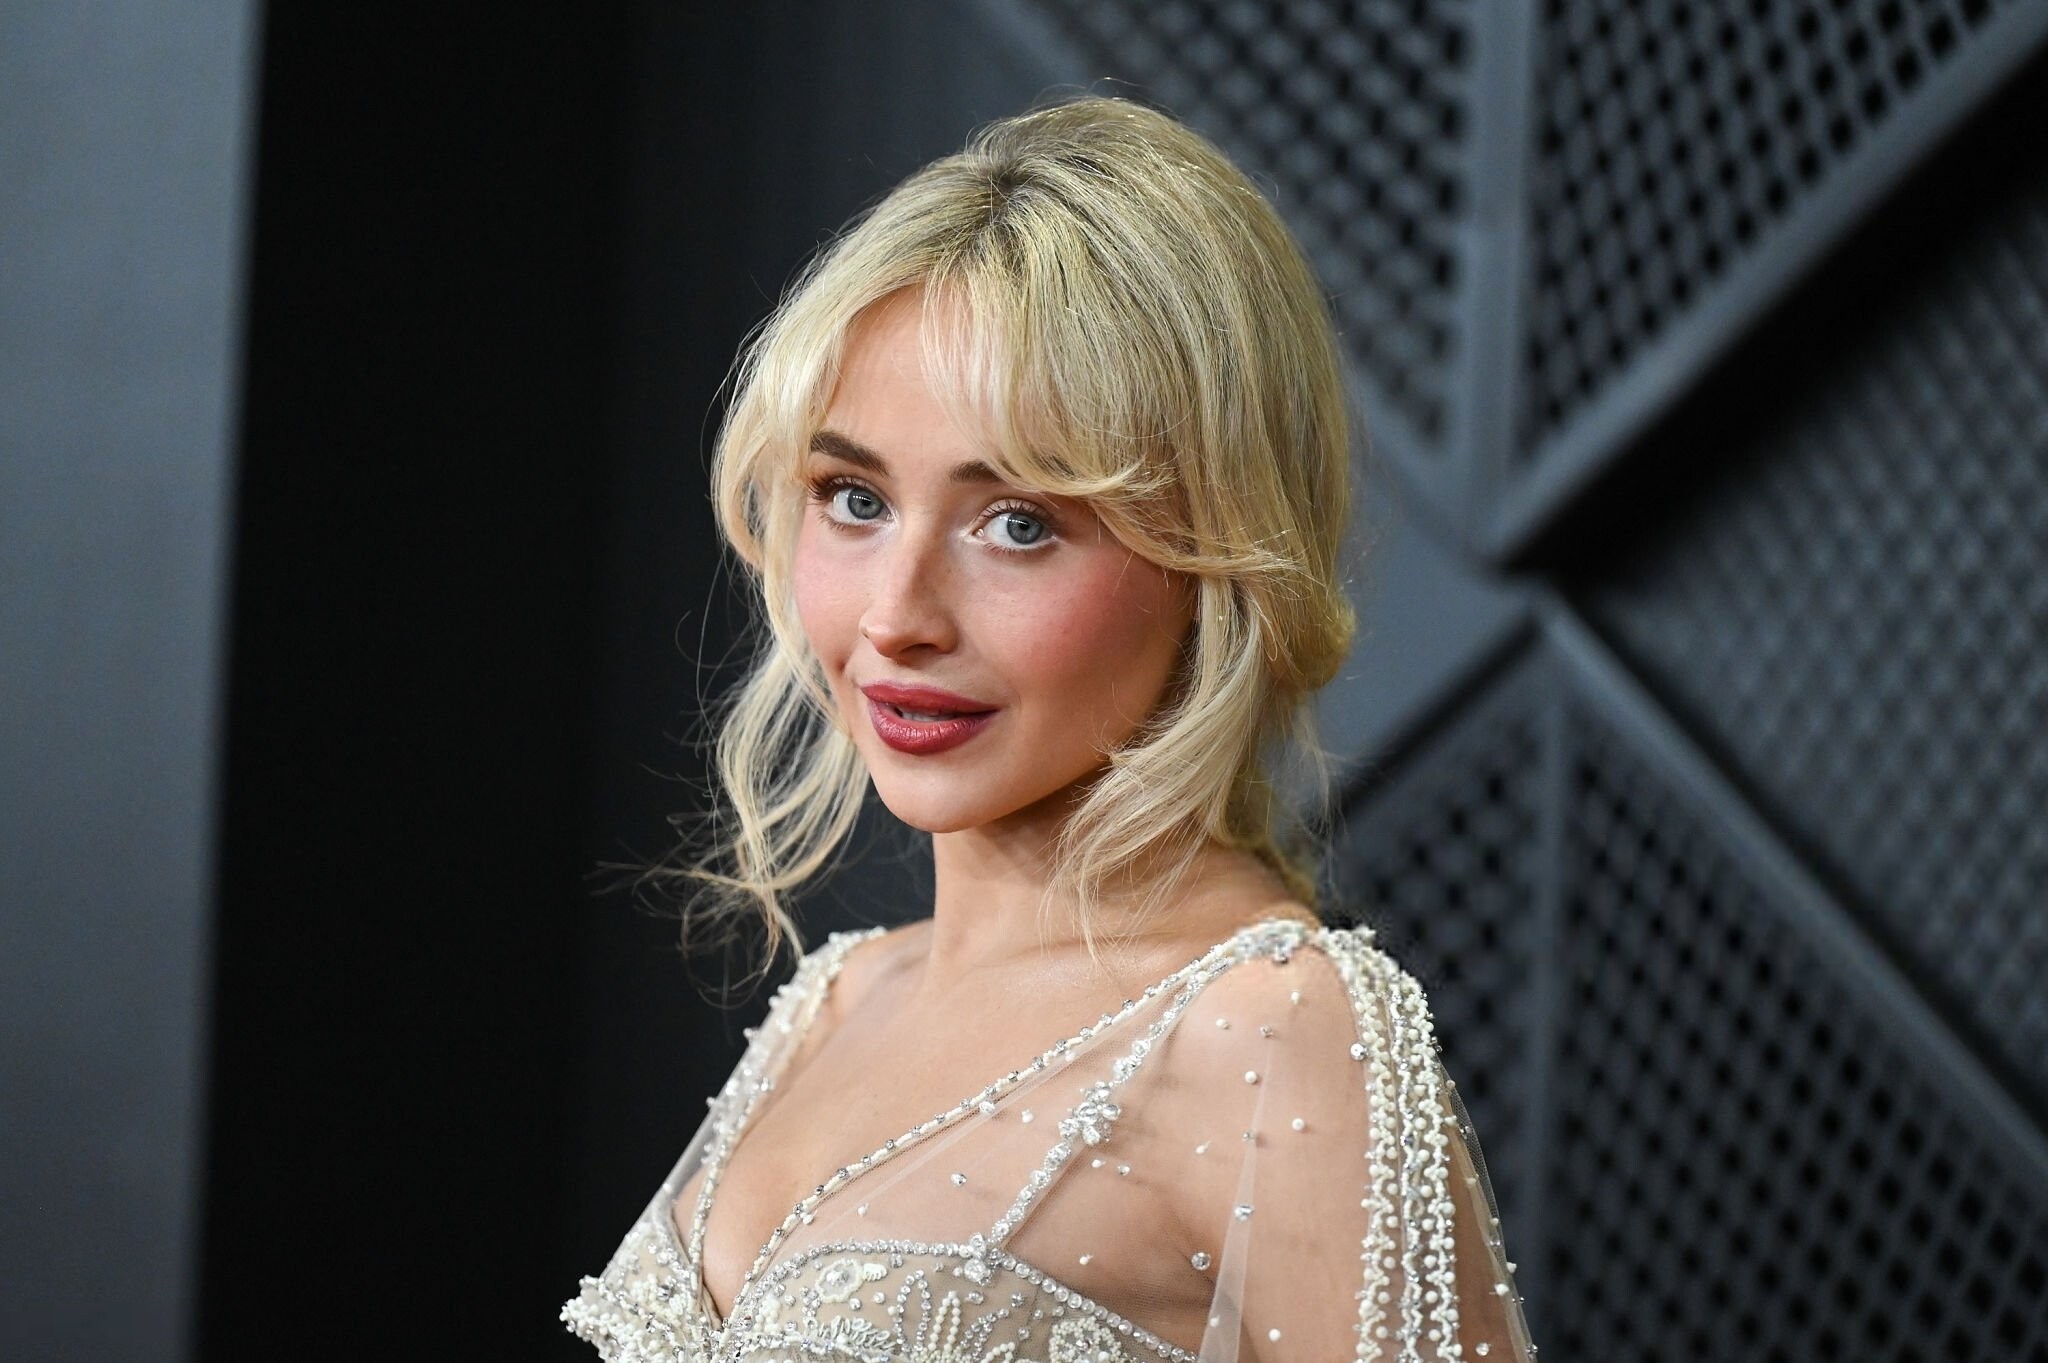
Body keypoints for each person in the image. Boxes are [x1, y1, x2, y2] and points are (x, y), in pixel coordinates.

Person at [562, 95, 1536, 1363]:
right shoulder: (836, 996)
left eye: (1017, 523)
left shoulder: (1274, 1027)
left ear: (1216, 554)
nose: (896, 615)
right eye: (852, 497)